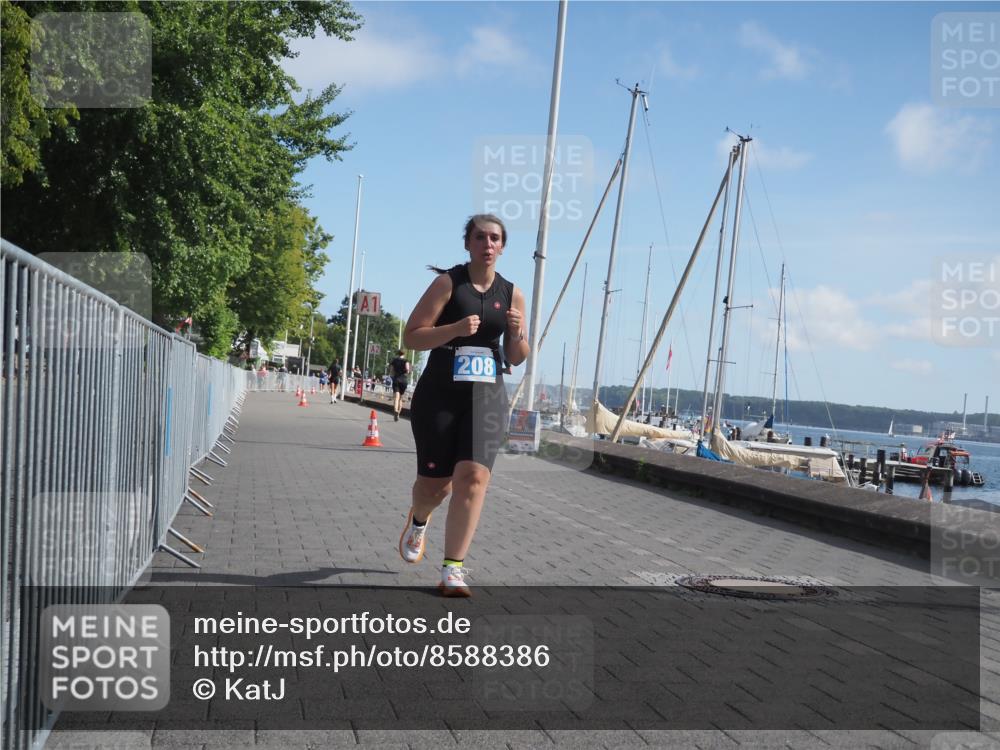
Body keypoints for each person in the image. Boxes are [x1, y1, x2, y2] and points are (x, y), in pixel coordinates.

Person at [398, 214, 529, 596]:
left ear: (502, 247)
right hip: (440, 392)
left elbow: (517, 356)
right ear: (468, 243)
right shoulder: (448, 284)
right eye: (480, 237)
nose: (487, 244)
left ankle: (452, 569)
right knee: (434, 487)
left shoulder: (513, 294)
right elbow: (412, 337)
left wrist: (516, 333)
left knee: (473, 477)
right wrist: (455, 330)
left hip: (486, 394)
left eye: (495, 238)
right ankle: (419, 519)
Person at [388, 349, 411, 421]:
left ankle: (395, 410)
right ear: (404, 354)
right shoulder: (406, 361)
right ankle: (398, 413)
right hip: (403, 380)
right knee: (401, 398)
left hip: (396, 379)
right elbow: (407, 370)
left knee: (396, 397)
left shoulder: (394, 360)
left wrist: (393, 376)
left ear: (398, 353)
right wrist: (408, 372)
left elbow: (391, 371)